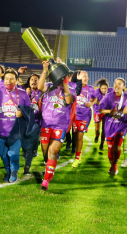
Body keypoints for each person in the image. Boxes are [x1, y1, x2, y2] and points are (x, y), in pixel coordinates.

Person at [37, 61, 83, 191]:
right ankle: (49, 169)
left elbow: (69, 101)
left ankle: (45, 180)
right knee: (46, 152)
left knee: (52, 151)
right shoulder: (49, 86)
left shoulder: (71, 89)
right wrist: (45, 69)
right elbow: (40, 87)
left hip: (60, 126)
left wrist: (65, 84)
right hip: (46, 124)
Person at [0, 68, 31, 182]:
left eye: (12, 79)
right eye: (6, 78)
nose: (9, 81)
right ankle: (8, 172)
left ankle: (14, 171)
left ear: (16, 80)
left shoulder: (22, 94)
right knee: (3, 156)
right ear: (3, 80)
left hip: (16, 132)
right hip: (1, 132)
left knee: (12, 154)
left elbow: (29, 111)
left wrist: (23, 112)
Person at [99, 78, 127, 175]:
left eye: (119, 84)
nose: (116, 85)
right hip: (110, 125)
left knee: (116, 146)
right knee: (110, 148)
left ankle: (114, 165)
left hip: (122, 125)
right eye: (115, 83)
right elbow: (101, 110)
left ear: (124, 87)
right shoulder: (108, 96)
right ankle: (112, 164)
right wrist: (109, 111)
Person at [72, 71, 97, 168]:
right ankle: (77, 150)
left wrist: (91, 104)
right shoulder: (73, 86)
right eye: (84, 76)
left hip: (85, 115)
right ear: (78, 77)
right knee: (75, 136)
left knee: (79, 136)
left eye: (87, 76)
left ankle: (77, 158)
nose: (87, 78)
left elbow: (95, 98)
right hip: (74, 115)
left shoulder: (90, 88)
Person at [23, 73, 42, 175]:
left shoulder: (42, 93)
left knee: (30, 145)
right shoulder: (24, 93)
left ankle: (27, 167)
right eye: (32, 80)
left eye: (36, 79)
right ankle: (34, 146)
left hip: (36, 122)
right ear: (29, 82)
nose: (34, 81)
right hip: (25, 122)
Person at [93, 78, 114, 151]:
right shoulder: (95, 92)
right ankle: (97, 135)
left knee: (104, 129)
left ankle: (101, 144)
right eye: (102, 88)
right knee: (97, 129)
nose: (104, 90)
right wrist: (97, 102)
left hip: (106, 112)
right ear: (100, 88)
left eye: (105, 88)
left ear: (108, 88)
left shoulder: (112, 91)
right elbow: (91, 99)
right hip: (97, 111)